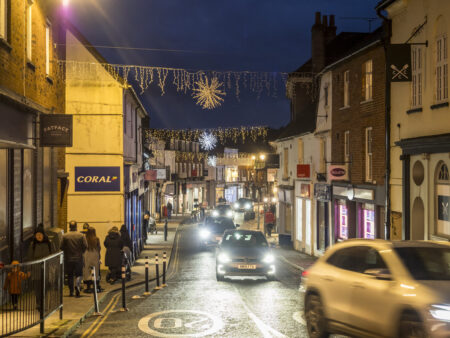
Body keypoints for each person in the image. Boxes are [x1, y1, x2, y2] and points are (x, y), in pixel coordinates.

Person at [61, 220, 87, 297]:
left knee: (70, 275)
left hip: (68, 259)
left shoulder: (65, 236)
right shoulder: (81, 236)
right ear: (76, 226)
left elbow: (61, 246)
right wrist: (81, 252)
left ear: (69, 227)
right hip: (78, 258)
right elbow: (85, 246)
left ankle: (71, 291)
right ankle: (77, 286)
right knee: (79, 274)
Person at [83, 226, 102, 293]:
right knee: (95, 270)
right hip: (95, 255)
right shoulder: (97, 239)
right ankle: (95, 286)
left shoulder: (85, 238)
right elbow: (99, 248)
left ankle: (88, 287)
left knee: (87, 271)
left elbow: (83, 247)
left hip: (87, 255)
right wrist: (99, 257)